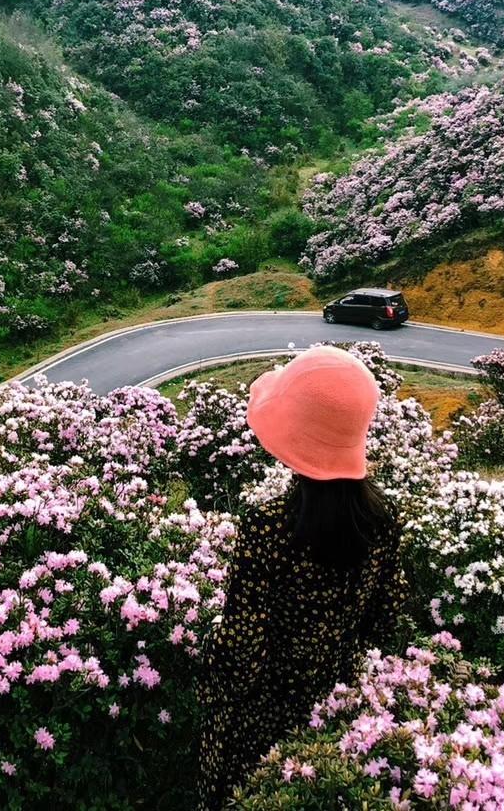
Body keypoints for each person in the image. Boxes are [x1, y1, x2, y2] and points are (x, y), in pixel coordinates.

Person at [197, 345, 407, 809]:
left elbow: (241, 646)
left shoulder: (270, 525)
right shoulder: (384, 517)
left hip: (260, 712)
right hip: (333, 704)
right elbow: (386, 617)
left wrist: (210, 670)